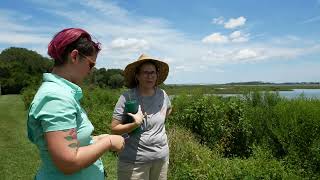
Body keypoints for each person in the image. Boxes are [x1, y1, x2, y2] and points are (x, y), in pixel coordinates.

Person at [27, 28, 125, 180]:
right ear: (74, 56)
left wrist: (96, 139)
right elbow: (69, 163)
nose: (91, 70)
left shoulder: (60, 93)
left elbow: (71, 140)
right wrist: (109, 141)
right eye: (91, 64)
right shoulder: (56, 98)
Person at [111, 54, 172, 180]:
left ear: (157, 75)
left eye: (153, 72)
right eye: (145, 72)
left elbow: (168, 110)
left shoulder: (163, 94)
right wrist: (134, 125)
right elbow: (114, 128)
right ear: (137, 76)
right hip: (134, 163)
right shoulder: (127, 97)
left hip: (160, 159)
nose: (149, 76)